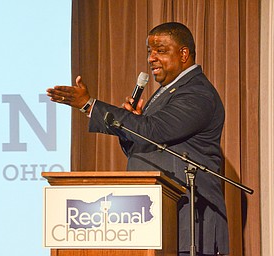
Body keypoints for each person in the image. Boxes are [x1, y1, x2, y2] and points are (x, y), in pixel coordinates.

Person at [46, 22, 229, 256]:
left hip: (189, 224)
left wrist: (89, 106)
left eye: (160, 51)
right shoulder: (167, 92)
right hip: (157, 224)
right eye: (149, 51)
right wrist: (133, 126)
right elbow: (148, 143)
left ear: (184, 54)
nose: (151, 58)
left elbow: (155, 130)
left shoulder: (197, 93)